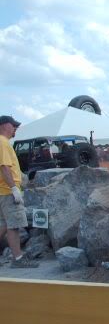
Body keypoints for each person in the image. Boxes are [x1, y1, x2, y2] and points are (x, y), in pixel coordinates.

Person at [0, 115, 38, 268]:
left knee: (2, 225)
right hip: (8, 191)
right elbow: (4, 167)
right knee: (13, 225)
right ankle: (18, 258)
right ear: (3, 125)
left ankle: (17, 256)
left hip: (2, 191)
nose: (15, 128)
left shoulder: (4, 143)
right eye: (13, 125)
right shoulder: (2, 143)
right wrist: (14, 188)